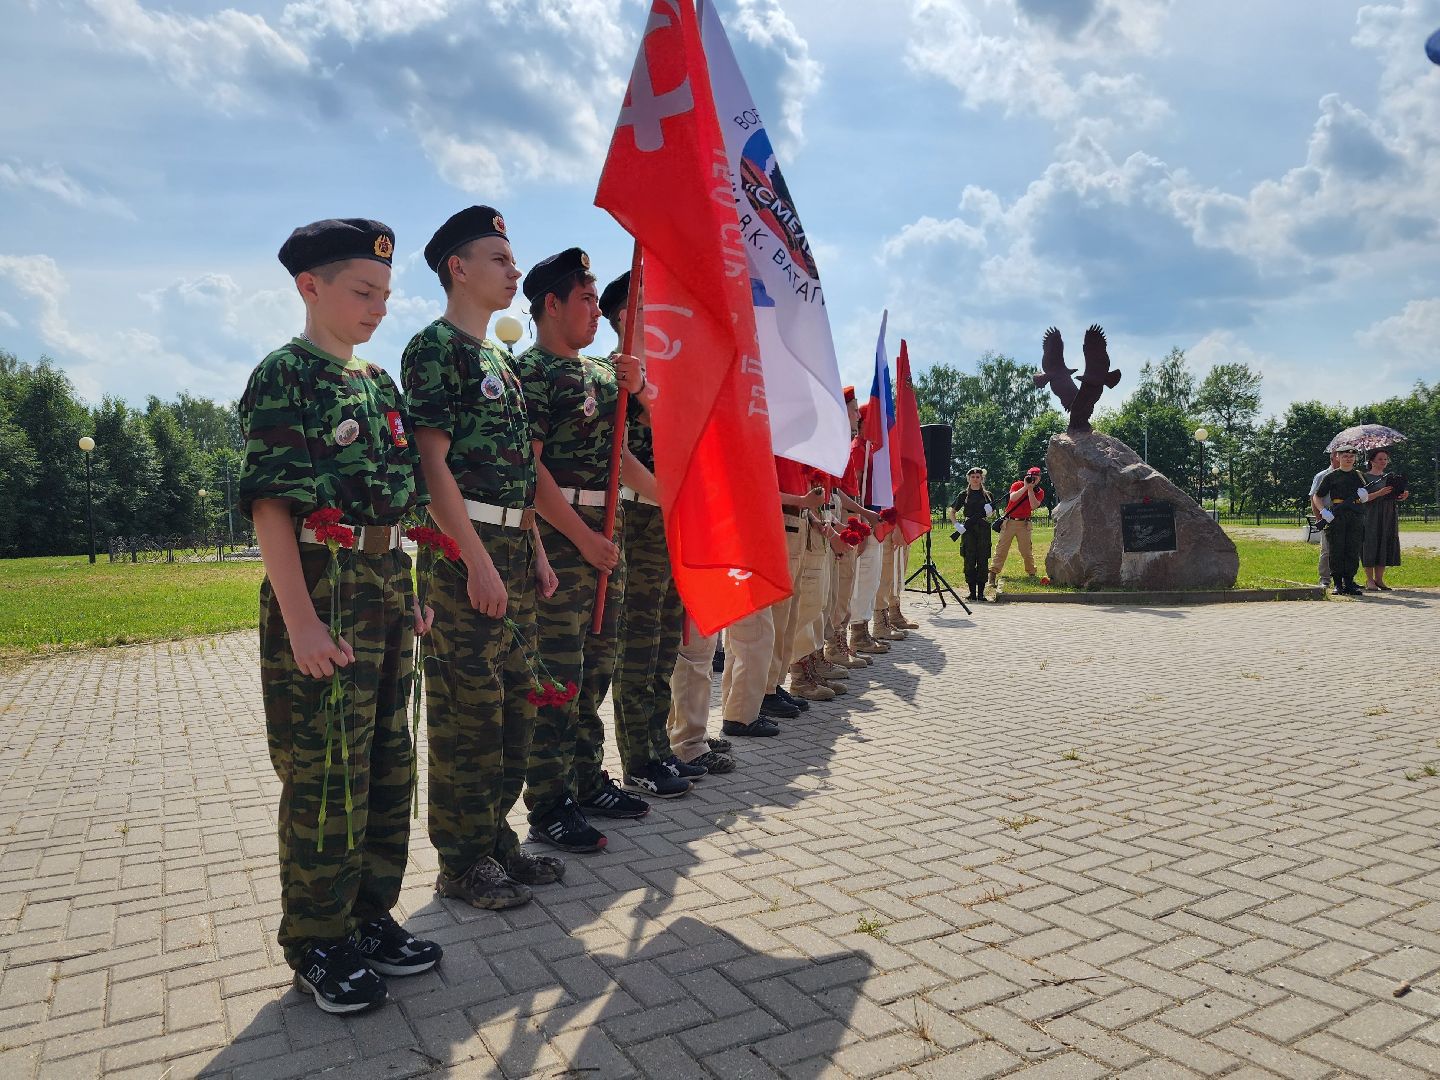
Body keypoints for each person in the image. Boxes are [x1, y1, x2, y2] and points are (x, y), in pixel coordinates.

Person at [240, 218, 441, 1014]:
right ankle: (318, 940)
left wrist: (415, 590)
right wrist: (301, 625)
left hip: (387, 594)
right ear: (310, 286)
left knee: (388, 766)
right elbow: (270, 508)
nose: (377, 308)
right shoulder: (284, 377)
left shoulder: (378, 385)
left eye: (386, 295)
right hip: (324, 601)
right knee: (327, 776)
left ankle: (367, 916)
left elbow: (404, 499)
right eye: (363, 292)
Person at [403, 205, 563, 912]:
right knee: (468, 715)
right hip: (462, 553)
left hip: (511, 550)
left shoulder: (500, 359)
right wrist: (475, 561)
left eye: (513, 258)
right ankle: (461, 861)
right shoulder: (435, 350)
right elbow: (432, 466)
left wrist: (534, 551)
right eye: (500, 259)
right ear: (457, 269)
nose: (514, 270)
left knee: (514, 713)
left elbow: (519, 475)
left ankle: (497, 841)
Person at [517, 248, 681, 857]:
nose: (594, 312)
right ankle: (549, 802)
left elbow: (621, 458)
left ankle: (586, 779)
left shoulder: (599, 376)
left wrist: (668, 495)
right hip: (564, 540)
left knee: (593, 671)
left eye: (596, 299)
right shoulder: (530, 373)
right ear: (551, 306)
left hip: (602, 539)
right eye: (585, 300)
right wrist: (584, 538)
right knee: (556, 677)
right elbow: (532, 470)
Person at [601, 272, 715, 778]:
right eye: (648, 305)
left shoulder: (665, 382)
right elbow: (617, 457)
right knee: (638, 646)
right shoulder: (611, 376)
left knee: (667, 642)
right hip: (639, 520)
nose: (660, 313)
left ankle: (659, 746)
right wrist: (673, 496)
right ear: (624, 318)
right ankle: (639, 759)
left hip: (673, 523)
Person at [1314, 445, 1372, 596]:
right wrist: (1323, 511)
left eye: (1351, 456)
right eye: (1345, 456)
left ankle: (1349, 582)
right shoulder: (1332, 476)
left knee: (1352, 549)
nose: (1348, 459)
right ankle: (1338, 584)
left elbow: (1367, 495)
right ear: (1337, 457)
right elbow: (1317, 496)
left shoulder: (1359, 476)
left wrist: (1364, 495)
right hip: (1337, 517)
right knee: (1336, 549)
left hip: (1355, 516)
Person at [989, 466, 1044, 583]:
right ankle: (993, 574)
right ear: (1027, 476)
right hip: (1009, 522)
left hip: (1024, 524)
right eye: (1031, 477)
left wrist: (1030, 489)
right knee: (1001, 549)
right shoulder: (1017, 485)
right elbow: (1013, 498)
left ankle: (1031, 574)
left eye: (1036, 477)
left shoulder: (1039, 492)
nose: (1033, 479)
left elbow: (1034, 505)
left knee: (1026, 551)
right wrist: (1025, 487)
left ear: (1039, 478)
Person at [1361, 447, 1406, 590]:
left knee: (1384, 543)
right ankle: (1369, 580)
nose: (1383, 462)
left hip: (1388, 514)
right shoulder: (1363, 477)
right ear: (1372, 461)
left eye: (1385, 459)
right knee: (1370, 543)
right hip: (1370, 514)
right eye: (1380, 459)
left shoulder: (1390, 477)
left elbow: (1393, 495)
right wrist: (1379, 493)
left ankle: (1379, 579)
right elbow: (1361, 498)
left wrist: (1402, 495)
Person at [949, 467, 994, 601]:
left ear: (981, 479)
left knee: (983, 559)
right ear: (969, 479)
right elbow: (952, 512)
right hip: (968, 530)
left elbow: (993, 515)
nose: (975, 479)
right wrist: (957, 525)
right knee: (969, 559)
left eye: (978, 477)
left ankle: (981, 593)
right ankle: (972, 593)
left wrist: (990, 511)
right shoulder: (964, 495)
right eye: (973, 477)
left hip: (983, 530)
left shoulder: (988, 495)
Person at [1308, 451, 1341, 588]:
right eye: (1340, 454)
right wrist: (1319, 517)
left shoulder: (1352, 475)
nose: (1344, 457)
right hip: (1327, 516)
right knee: (1327, 550)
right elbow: (1314, 497)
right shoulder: (1322, 476)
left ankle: (1345, 579)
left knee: (1346, 549)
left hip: (1345, 517)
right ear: (1333, 457)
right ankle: (1325, 579)